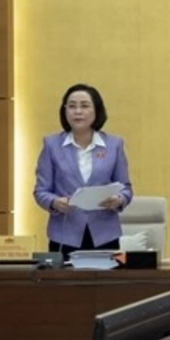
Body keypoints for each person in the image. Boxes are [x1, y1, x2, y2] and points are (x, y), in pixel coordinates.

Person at [32, 83, 133, 259]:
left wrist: (119, 199)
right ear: (65, 111)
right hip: (64, 234)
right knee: (65, 285)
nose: (77, 111)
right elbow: (41, 191)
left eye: (84, 106)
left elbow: (126, 188)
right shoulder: (51, 145)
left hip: (105, 235)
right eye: (71, 106)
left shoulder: (114, 145)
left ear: (97, 110)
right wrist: (55, 202)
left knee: (103, 285)